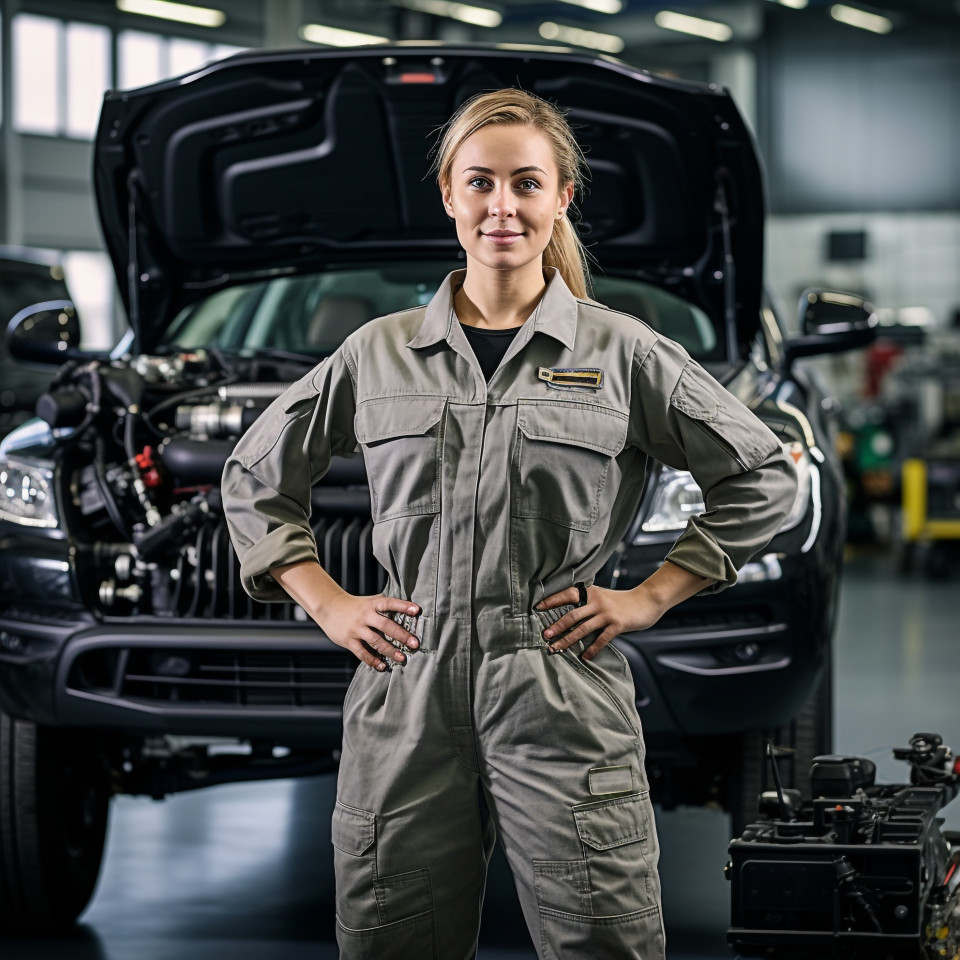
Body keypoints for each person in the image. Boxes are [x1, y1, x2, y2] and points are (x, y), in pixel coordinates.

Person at [222, 88, 798, 960]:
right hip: (406, 689)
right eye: (480, 183)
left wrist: (650, 596)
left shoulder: (624, 354)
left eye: (526, 184)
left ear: (562, 196)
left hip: (559, 684)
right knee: (391, 939)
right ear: (448, 194)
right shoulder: (377, 353)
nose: (502, 206)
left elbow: (762, 475)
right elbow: (254, 474)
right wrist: (329, 603)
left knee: (605, 939)